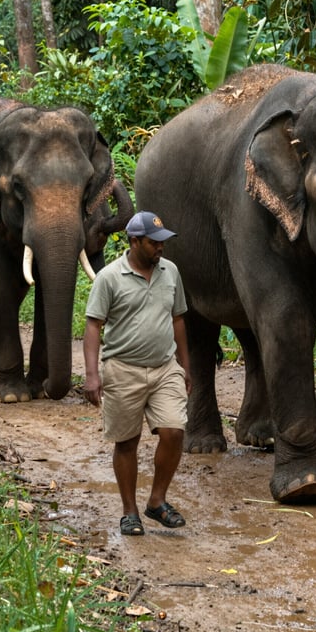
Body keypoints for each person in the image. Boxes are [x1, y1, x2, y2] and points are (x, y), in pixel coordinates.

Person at [83, 210, 191, 537]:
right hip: (122, 369)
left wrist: (184, 366)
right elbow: (93, 326)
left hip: (164, 368)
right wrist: (92, 374)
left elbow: (178, 320)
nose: (161, 248)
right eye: (154, 242)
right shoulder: (109, 278)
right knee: (127, 442)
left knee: (174, 431)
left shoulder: (170, 272)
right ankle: (130, 512)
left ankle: (157, 501)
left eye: (163, 242)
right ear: (134, 242)